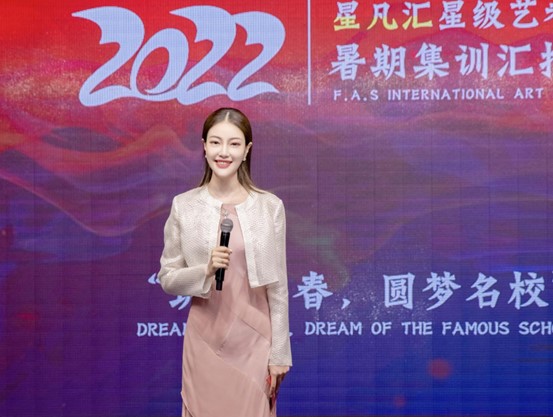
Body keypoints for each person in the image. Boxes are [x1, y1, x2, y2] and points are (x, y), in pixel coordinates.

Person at [158, 107, 292, 417]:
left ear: (246, 150)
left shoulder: (269, 207)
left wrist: (280, 353)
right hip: (205, 335)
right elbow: (168, 278)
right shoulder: (184, 206)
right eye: (216, 142)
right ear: (204, 147)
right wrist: (204, 271)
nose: (223, 152)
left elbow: (278, 288)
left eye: (234, 144)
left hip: (255, 338)